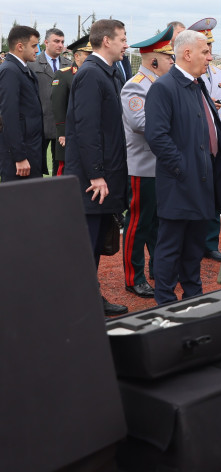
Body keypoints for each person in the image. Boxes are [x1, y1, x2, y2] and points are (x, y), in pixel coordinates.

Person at [144, 30, 221, 304]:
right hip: (180, 183)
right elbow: (157, 137)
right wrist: (182, 170)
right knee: (171, 247)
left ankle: (193, 296)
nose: (210, 57)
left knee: (194, 246)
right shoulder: (164, 87)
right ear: (187, 53)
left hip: (202, 179)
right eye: (205, 52)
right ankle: (165, 301)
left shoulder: (197, 84)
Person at [64, 19, 130, 316]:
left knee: (97, 243)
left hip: (106, 173)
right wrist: (96, 175)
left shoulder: (108, 72)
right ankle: (80, 305)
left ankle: (87, 299)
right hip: (93, 180)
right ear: (106, 41)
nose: (126, 45)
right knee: (87, 245)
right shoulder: (92, 74)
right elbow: (87, 129)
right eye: (122, 39)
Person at [120, 25, 175, 298]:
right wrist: (177, 122)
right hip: (143, 166)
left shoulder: (161, 84)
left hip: (160, 166)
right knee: (138, 224)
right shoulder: (136, 85)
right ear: (154, 60)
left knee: (158, 222)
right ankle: (134, 277)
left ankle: (158, 268)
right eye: (167, 57)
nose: (172, 61)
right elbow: (141, 123)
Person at [189, 18, 221, 261]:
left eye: (210, 44)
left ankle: (210, 242)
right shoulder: (189, 74)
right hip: (197, 142)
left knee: (216, 191)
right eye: (205, 45)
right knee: (197, 192)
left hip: (216, 141)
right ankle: (195, 242)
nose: (209, 49)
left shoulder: (216, 72)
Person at [0, 25, 43, 183]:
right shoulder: (10, 71)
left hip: (30, 150)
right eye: (34, 46)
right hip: (20, 156)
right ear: (20, 46)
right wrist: (19, 156)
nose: (37, 50)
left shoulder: (23, 69)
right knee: (19, 198)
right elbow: (9, 116)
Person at [51, 35, 92, 175]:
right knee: (66, 173)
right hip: (69, 134)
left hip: (87, 134)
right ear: (77, 56)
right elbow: (58, 105)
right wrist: (62, 133)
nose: (91, 57)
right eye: (88, 54)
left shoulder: (93, 73)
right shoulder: (64, 75)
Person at [28, 27, 66, 175]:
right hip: (40, 124)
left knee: (60, 166)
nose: (60, 45)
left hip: (61, 126)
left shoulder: (68, 64)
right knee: (36, 166)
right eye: (56, 41)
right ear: (46, 42)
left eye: (62, 42)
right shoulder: (32, 64)